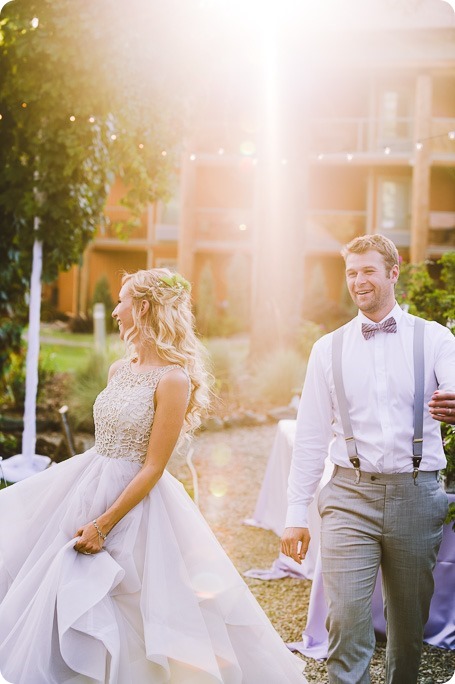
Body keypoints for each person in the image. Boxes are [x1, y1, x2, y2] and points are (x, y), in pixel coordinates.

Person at [0, 268, 307, 684]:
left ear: (143, 307)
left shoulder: (173, 379)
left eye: (123, 300)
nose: (115, 310)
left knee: (133, 606)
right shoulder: (118, 370)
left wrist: (103, 525)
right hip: (88, 481)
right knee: (57, 584)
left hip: (134, 505)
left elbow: (153, 467)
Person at [281, 235, 455, 684]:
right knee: (346, 621)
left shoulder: (435, 339)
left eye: (368, 271)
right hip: (347, 495)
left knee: (407, 626)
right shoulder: (328, 348)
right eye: (351, 272)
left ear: (393, 272)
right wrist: (295, 514)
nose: (358, 281)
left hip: (416, 494)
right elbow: (311, 438)